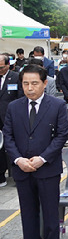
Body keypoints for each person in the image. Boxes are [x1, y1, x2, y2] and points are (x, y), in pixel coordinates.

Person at [4, 64, 68, 239]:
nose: (30, 88)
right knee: (28, 213)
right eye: (25, 84)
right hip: (22, 170)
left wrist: (42, 158)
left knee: (50, 213)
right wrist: (18, 160)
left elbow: (61, 136)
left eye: (34, 83)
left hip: (47, 169)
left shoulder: (57, 106)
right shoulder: (14, 107)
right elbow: (8, 136)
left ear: (44, 83)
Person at [0, 54, 22, 187]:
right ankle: (1, 174)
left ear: (8, 65)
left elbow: (19, 97)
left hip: (10, 117)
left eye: (1, 67)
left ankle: (16, 174)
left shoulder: (15, 77)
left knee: (14, 145)